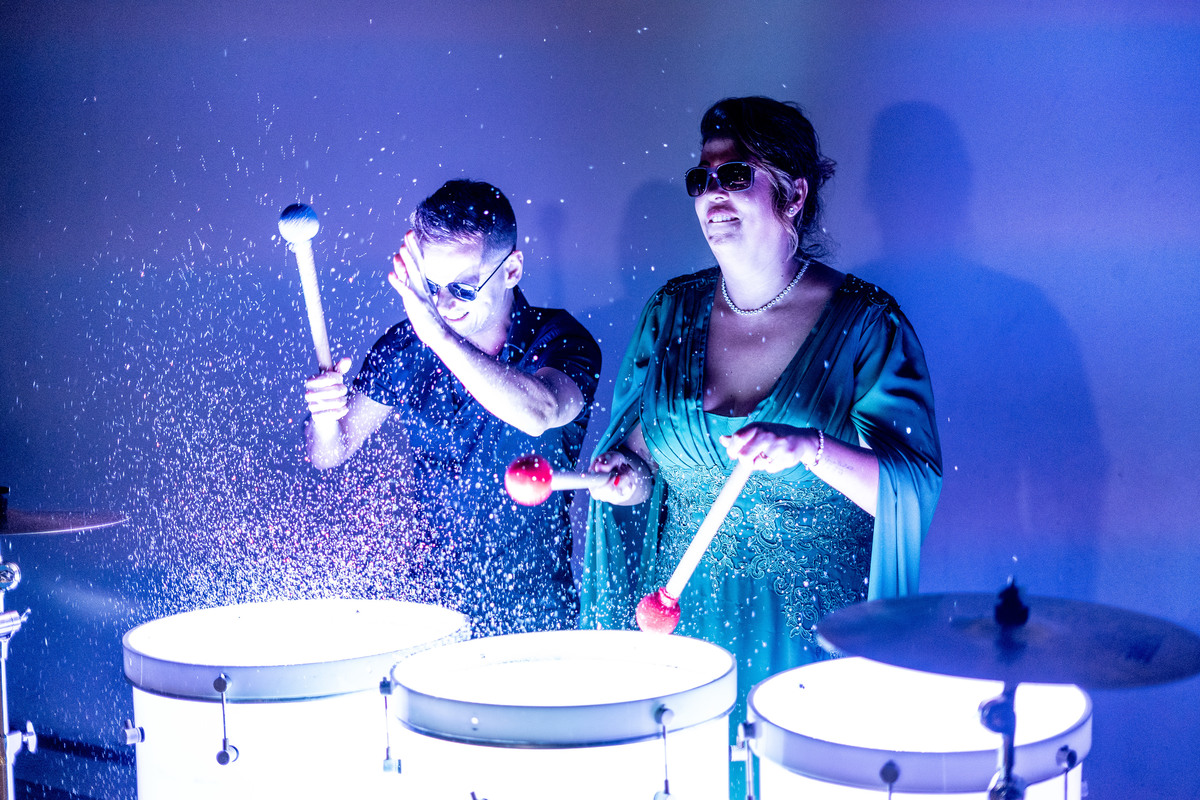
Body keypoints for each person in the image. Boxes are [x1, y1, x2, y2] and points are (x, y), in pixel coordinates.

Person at [582, 97, 942, 795]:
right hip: (682, 630)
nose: (711, 194)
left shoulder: (868, 324)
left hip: (809, 637)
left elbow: (910, 490)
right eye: (702, 179)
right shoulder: (670, 311)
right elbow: (641, 455)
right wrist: (622, 474)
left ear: (794, 194)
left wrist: (811, 447)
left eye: (735, 175)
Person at [304, 179, 601, 636]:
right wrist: (325, 419)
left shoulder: (561, 340)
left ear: (511, 270)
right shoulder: (405, 348)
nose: (442, 305)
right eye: (431, 286)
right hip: (431, 613)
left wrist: (437, 336)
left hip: (538, 615)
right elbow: (331, 452)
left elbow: (539, 413)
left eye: (463, 288)